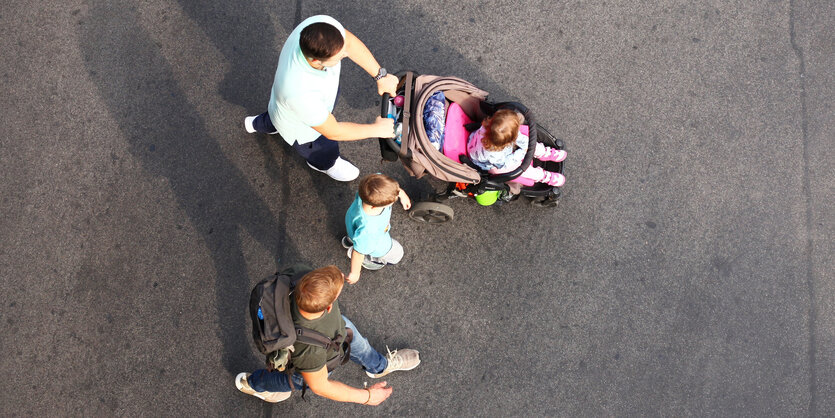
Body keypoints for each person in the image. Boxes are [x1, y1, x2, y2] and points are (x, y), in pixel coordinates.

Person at [244, 15, 399, 181]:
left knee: (276, 117)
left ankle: (256, 123)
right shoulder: (300, 93)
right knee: (322, 147)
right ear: (317, 60)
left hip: (282, 107)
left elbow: (350, 43)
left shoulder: (318, 28)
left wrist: (380, 76)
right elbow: (333, 131)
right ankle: (324, 164)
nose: (344, 55)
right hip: (304, 130)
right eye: (339, 57)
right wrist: (376, 129)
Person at [236, 265, 420, 404]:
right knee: (296, 380)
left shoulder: (301, 275)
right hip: (320, 355)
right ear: (329, 306)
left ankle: (379, 367)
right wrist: (368, 397)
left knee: (354, 337)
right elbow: (320, 386)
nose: (341, 275)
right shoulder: (309, 351)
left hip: (338, 331)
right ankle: (254, 384)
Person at [467, 109, 567, 186]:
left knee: (524, 138)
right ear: (507, 143)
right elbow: (505, 164)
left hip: (484, 143)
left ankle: (543, 152)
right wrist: (521, 153)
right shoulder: (494, 155)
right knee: (518, 169)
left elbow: (511, 133)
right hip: (495, 164)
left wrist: (526, 145)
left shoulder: (488, 126)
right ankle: (543, 176)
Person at [342, 174, 411, 284]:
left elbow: (389, 186)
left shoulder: (370, 186)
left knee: (356, 236)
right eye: (391, 202)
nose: (395, 199)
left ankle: (351, 240)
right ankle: (368, 258)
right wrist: (355, 273)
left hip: (352, 222)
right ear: (375, 207)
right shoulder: (369, 230)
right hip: (376, 243)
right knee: (397, 254)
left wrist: (402, 195)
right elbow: (358, 253)